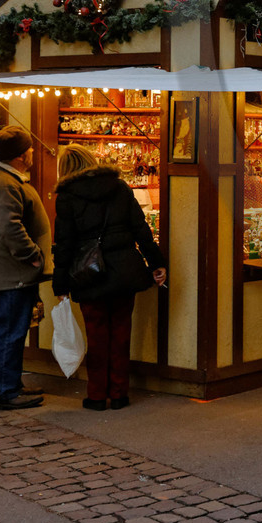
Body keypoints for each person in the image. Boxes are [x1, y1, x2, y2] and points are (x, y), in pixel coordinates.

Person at [52, 144, 167, 412]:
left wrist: (60, 284)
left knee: (97, 336)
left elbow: (65, 244)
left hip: (88, 274)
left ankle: (96, 395)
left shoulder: (67, 197)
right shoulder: (120, 188)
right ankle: (119, 394)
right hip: (124, 270)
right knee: (120, 334)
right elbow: (141, 229)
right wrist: (156, 263)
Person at [0, 126, 50, 412]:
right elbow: (9, 228)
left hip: (13, 272)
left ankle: (10, 385)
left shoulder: (5, 178)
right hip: (13, 273)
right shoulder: (4, 184)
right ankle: (3, 392)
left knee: (13, 330)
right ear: (20, 156)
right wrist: (32, 255)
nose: (33, 153)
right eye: (30, 149)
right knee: (10, 331)